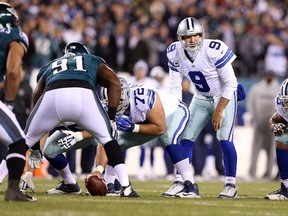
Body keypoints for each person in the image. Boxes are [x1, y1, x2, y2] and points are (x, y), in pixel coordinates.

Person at [23, 41, 139, 198]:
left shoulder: (51, 68)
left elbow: (37, 100)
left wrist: (35, 148)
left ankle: (110, 179)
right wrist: (110, 119)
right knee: (53, 149)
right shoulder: (91, 63)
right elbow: (114, 81)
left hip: (76, 121)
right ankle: (72, 184)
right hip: (82, 112)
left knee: (106, 138)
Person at [167, 17, 240, 198]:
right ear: (180, 38)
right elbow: (175, 86)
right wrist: (176, 109)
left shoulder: (214, 49)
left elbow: (231, 83)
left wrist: (219, 110)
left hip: (224, 96)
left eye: (196, 36)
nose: (193, 40)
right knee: (185, 137)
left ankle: (230, 184)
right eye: (188, 37)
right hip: (200, 97)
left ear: (202, 35)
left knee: (224, 138)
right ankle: (182, 181)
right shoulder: (174, 52)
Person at [0, 2, 36, 202]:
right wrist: (10, 104)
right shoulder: (15, 34)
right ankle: (13, 190)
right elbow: (13, 71)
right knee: (18, 142)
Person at [247, 70, 280, 180]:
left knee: (272, 150)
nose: (269, 77)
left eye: (271, 75)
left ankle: (268, 173)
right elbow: (250, 104)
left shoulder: (279, 89)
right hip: (259, 123)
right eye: (267, 75)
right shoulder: (256, 88)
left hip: (273, 125)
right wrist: (255, 118)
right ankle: (252, 172)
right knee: (255, 149)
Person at [265, 78, 288, 200]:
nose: (287, 105)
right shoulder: (281, 104)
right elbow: (273, 120)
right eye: (286, 101)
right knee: (282, 138)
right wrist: (275, 127)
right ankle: (286, 188)